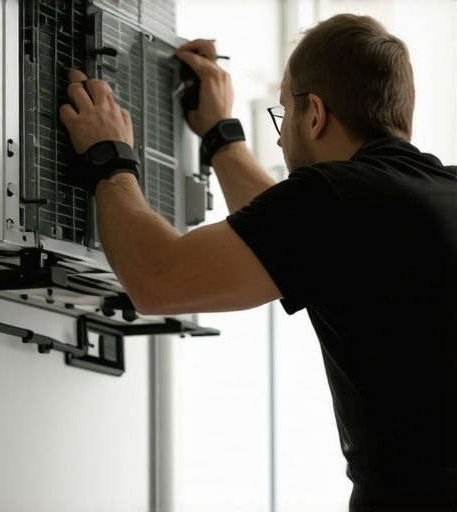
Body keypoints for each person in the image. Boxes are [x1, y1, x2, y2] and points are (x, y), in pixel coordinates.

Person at [60, 13, 457, 512]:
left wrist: (109, 156)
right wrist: (221, 137)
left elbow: (157, 279)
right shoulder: (420, 197)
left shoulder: (337, 200)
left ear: (314, 114)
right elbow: (289, 236)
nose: (282, 131)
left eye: (283, 111)